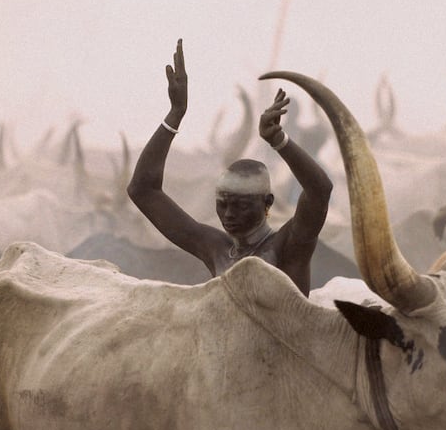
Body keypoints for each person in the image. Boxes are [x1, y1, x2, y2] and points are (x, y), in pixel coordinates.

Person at [127, 39, 333, 296]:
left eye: (241, 205)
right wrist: (175, 114)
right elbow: (142, 190)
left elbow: (320, 191)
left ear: (267, 204)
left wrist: (278, 140)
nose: (228, 214)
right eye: (222, 203)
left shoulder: (288, 246)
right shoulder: (215, 248)